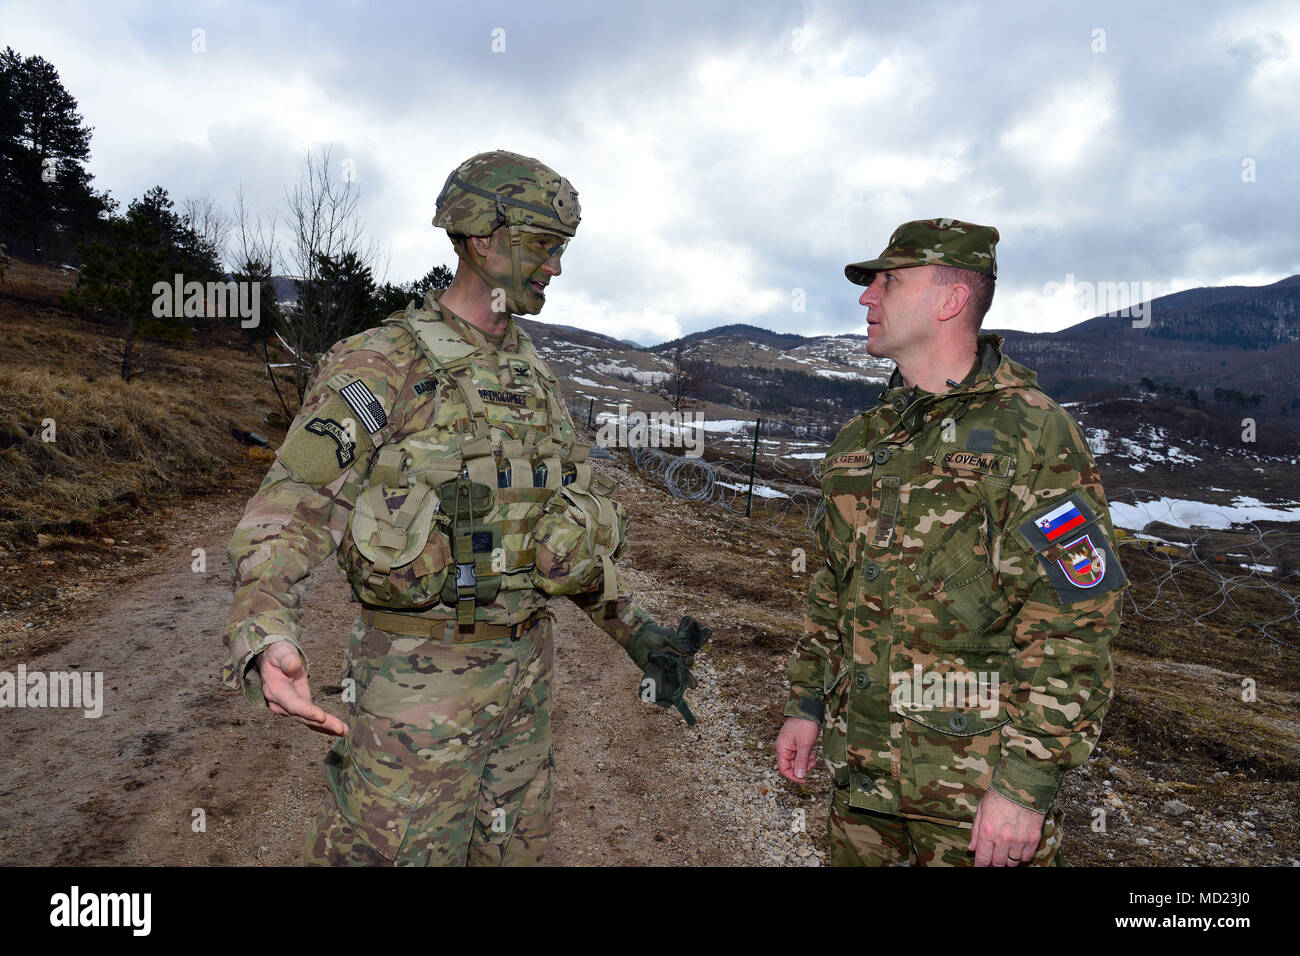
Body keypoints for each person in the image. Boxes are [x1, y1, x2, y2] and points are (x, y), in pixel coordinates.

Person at [221, 149, 710, 866]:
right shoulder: (380, 364)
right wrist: (265, 635)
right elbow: (290, 509)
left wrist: (638, 634)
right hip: (415, 693)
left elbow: (555, 537)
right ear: (483, 235)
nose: (556, 268)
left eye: (562, 248)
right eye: (545, 245)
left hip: (525, 687)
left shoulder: (534, 376)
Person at [774, 218, 1127, 866]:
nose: (866, 297)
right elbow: (830, 586)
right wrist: (806, 703)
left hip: (972, 794)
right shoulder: (862, 439)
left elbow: (1076, 622)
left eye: (888, 281)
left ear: (950, 300)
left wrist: (1024, 787)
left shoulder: (1032, 434)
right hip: (861, 780)